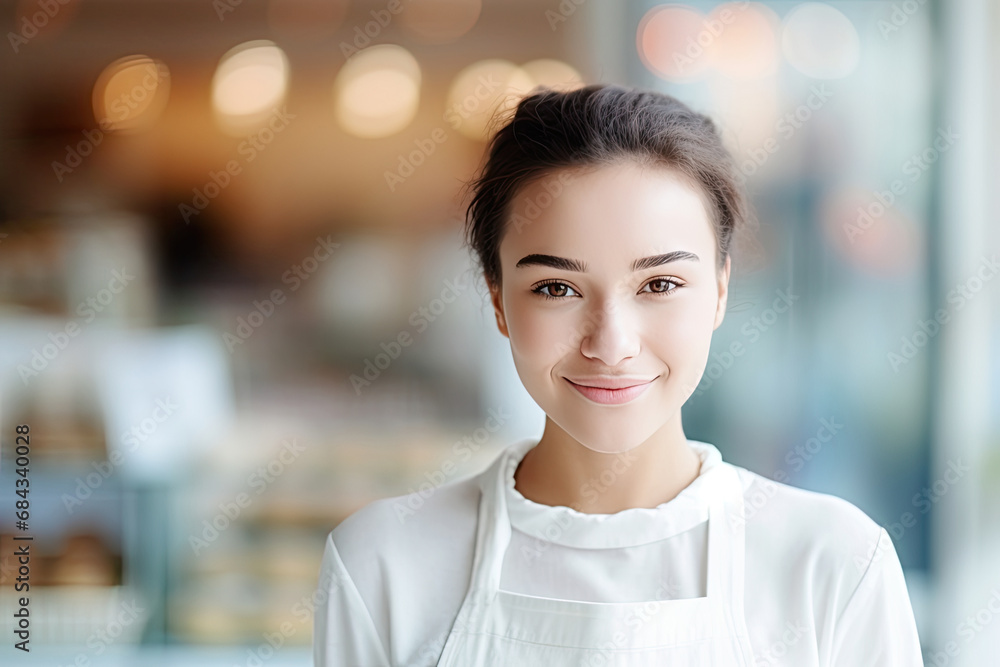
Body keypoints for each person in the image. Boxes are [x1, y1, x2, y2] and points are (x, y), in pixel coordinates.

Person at [313, 83, 924, 666]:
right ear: (497, 300)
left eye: (659, 284)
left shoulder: (834, 563)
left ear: (718, 292)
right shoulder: (382, 564)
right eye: (556, 287)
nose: (610, 344)